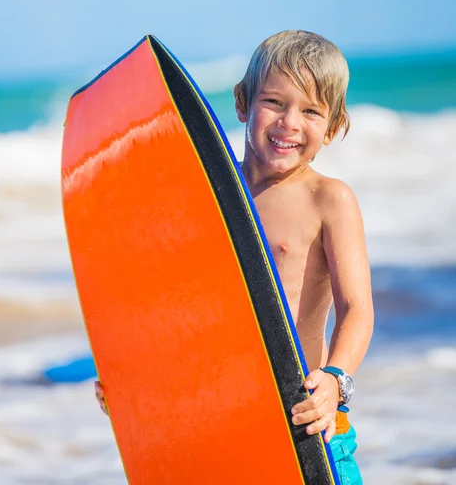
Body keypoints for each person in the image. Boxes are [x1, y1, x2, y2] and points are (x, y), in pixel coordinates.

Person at [95, 30, 374, 484]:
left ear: (334, 126)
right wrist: (135, 382)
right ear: (242, 103)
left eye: (310, 111)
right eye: (274, 102)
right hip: (220, 422)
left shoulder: (328, 200)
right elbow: (178, 308)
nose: (289, 122)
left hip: (302, 421)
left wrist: (335, 380)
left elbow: (357, 308)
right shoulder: (207, 197)